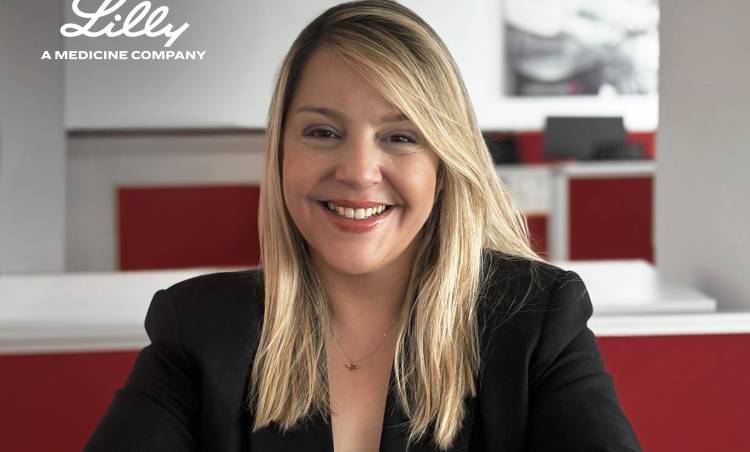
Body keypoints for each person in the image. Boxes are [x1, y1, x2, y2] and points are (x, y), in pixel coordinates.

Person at [84, 1, 641, 451]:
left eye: (400, 137)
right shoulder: (199, 330)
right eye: (323, 133)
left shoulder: (536, 321)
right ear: (280, 154)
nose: (357, 171)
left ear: (444, 165)